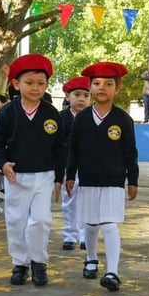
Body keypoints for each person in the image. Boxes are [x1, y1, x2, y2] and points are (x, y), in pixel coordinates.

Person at [0, 54, 66, 287]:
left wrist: (59, 178)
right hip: (16, 177)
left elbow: (61, 147)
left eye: (41, 83)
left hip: (44, 176)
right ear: (16, 84)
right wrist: (3, 163)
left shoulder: (51, 113)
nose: (35, 88)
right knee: (16, 220)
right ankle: (20, 263)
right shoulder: (7, 113)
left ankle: (39, 263)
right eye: (29, 83)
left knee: (41, 221)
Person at [66, 63, 138, 292]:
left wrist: (133, 179)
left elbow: (130, 151)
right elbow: (73, 150)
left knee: (109, 224)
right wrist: (69, 175)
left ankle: (113, 272)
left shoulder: (123, 119)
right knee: (90, 222)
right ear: (90, 87)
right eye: (96, 84)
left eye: (108, 84)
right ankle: (90, 259)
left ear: (117, 88)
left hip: (114, 181)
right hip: (87, 179)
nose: (102, 88)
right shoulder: (82, 119)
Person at [59, 76, 91, 251]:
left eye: (86, 95)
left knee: (87, 201)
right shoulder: (60, 118)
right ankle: (69, 235)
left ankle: (86, 235)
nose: (81, 99)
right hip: (66, 166)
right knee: (69, 200)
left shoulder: (94, 117)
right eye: (77, 94)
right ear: (67, 96)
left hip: (88, 166)